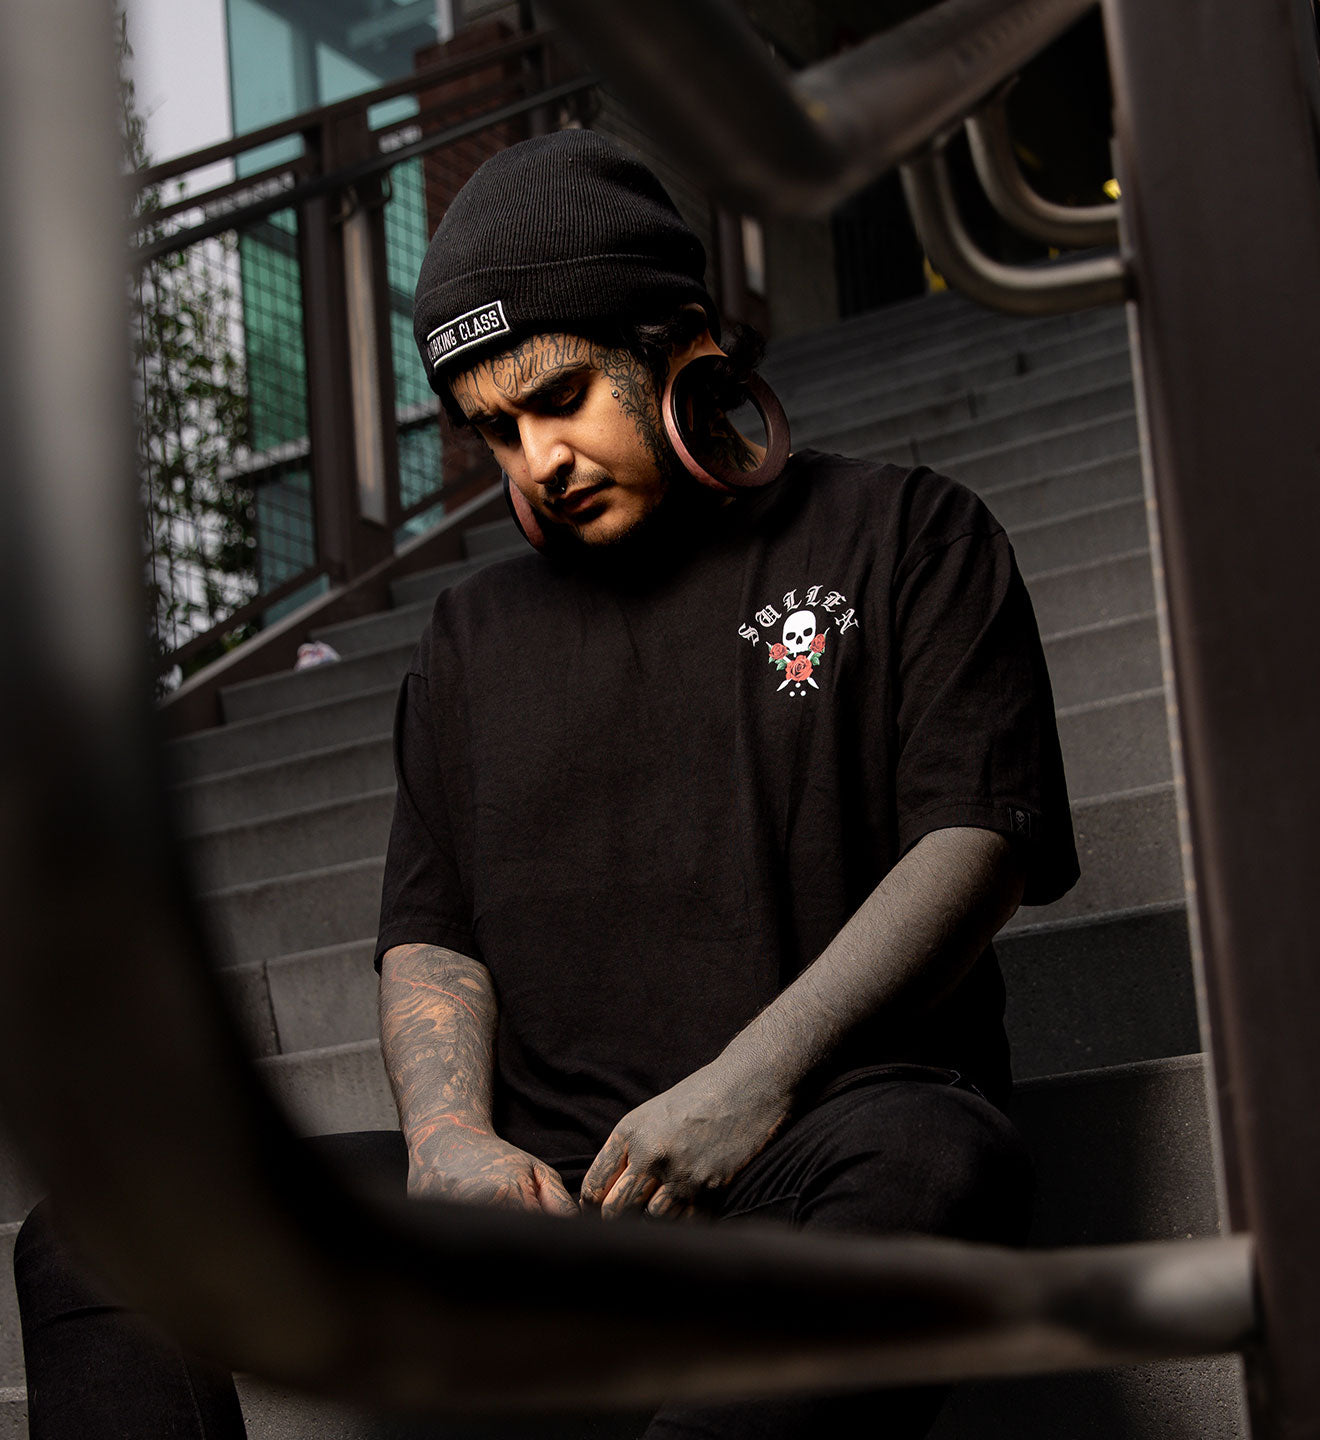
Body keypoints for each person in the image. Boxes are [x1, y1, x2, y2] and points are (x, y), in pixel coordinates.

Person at [13, 128, 1077, 1439]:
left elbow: (975, 841)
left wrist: (749, 1085)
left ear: (683, 347)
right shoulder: (468, 640)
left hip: (810, 1154)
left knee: (937, 1156)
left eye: (560, 397)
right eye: (494, 433)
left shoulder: (911, 535)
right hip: (548, 1215)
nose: (535, 465)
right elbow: (433, 941)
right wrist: (449, 1139)